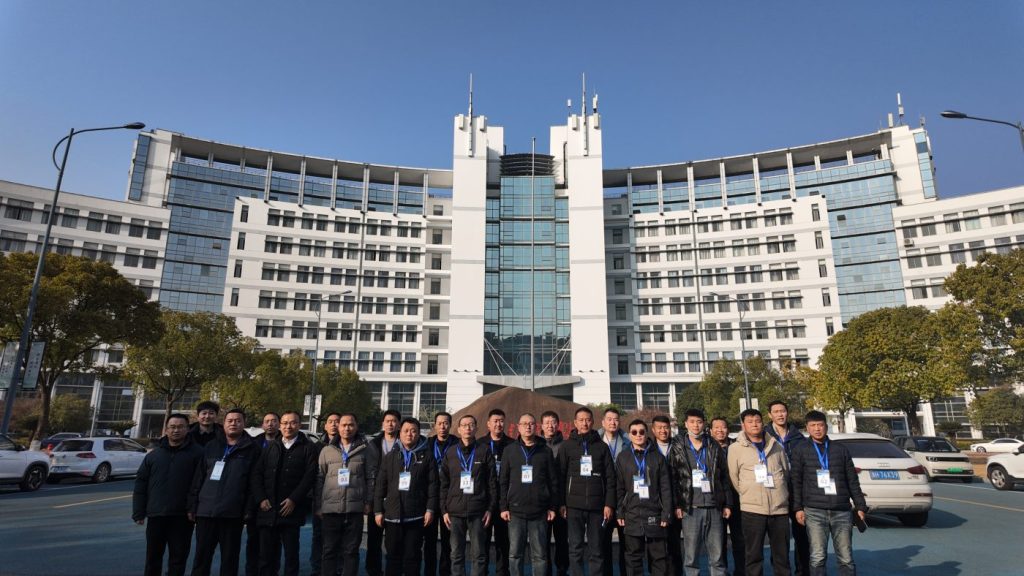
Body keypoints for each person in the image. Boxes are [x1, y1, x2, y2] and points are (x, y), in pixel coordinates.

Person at [791, 411, 867, 576]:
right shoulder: (800, 450)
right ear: (807, 428)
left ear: (826, 426)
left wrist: (860, 505)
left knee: (846, 557)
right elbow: (796, 481)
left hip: (841, 510)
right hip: (814, 510)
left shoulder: (840, 449)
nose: (817, 429)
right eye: (813, 425)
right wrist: (798, 508)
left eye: (820, 425)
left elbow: (852, 480)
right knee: (817, 557)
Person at [189, 408, 262, 576]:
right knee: (201, 558)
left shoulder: (253, 449)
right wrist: (192, 505)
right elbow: (199, 478)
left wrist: (248, 510)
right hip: (206, 512)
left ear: (244, 424)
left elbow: (254, 483)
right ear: (224, 424)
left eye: (238, 420)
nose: (233, 424)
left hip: (233, 513)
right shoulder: (211, 446)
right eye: (230, 420)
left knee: (229, 559)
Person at [133, 413, 204, 576]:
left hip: (183, 516)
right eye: (172, 427)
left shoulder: (198, 454)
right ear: (166, 429)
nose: (176, 430)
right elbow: (141, 483)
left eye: (180, 427)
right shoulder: (154, 455)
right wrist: (138, 511)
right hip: (156, 514)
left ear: (187, 429)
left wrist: (193, 508)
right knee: (153, 558)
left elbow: (200, 484)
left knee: (178, 559)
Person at [251, 411, 317, 576]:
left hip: (291, 509)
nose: (288, 426)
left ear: (299, 425)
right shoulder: (271, 446)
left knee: (291, 555)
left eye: (293, 422)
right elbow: (257, 473)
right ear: (280, 425)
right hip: (268, 509)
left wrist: (294, 499)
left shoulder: (308, 447)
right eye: (285, 423)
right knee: (266, 556)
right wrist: (261, 498)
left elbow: (310, 476)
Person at [727, 409, 791, 576]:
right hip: (752, 509)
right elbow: (734, 477)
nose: (754, 424)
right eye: (750, 421)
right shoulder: (735, 449)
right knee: (753, 556)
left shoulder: (776, 446)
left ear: (763, 423)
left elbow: (786, 472)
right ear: (743, 425)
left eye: (757, 421)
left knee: (782, 557)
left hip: (779, 509)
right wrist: (748, 493)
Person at [668, 409, 731, 576]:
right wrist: (677, 505)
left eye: (699, 422)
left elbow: (724, 476)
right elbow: (673, 478)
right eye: (692, 422)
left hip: (714, 506)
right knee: (691, 557)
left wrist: (727, 503)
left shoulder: (713, 445)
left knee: (717, 556)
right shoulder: (678, 447)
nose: (696, 425)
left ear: (704, 424)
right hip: (690, 508)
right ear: (686, 424)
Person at [374, 417, 439, 576]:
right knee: (392, 556)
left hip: (416, 515)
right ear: (400, 433)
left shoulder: (427, 456)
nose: (409, 434)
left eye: (413, 431)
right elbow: (381, 485)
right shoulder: (390, 456)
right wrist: (378, 511)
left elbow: (433, 485)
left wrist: (430, 509)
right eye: (406, 431)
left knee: (412, 556)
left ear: (419, 433)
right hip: (392, 515)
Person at [317, 412, 377, 576]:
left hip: (354, 509)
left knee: (351, 551)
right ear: (338, 427)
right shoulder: (327, 450)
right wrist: (318, 505)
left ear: (356, 427)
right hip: (331, 509)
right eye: (343, 425)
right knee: (329, 550)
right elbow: (319, 478)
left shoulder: (366, 450)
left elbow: (371, 477)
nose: (347, 428)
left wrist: (368, 502)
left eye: (351, 425)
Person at [558, 407, 615, 576]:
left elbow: (610, 478)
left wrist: (609, 504)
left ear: (593, 422)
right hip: (573, 506)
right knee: (575, 548)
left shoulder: (602, 447)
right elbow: (560, 477)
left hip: (597, 507)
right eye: (581, 420)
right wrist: (561, 503)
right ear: (575, 423)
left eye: (588, 420)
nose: (584, 423)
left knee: (596, 549)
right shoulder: (566, 446)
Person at [500, 413, 559, 576]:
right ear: (518, 427)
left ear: (536, 427)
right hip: (515, 511)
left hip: (539, 511)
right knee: (514, 555)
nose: (528, 426)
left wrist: (552, 507)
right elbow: (503, 481)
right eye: (524, 423)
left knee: (539, 556)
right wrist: (503, 507)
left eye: (531, 423)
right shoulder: (509, 450)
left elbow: (553, 481)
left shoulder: (545, 451)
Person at [441, 415, 498, 576]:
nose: (467, 428)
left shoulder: (484, 451)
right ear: (458, 429)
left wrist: (490, 509)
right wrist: (444, 510)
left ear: (476, 428)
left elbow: (492, 483)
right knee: (456, 554)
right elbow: (443, 484)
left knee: (479, 555)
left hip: (478, 511)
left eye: (471, 425)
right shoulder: (451, 452)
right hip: (455, 512)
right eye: (464, 425)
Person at [615, 419, 672, 576]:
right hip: (632, 513)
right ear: (629, 435)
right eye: (634, 432)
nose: (638, 435)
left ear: (647, 434)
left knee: (659, 558)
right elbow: (619, 487)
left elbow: (665, 488)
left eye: (641, 432)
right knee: (633, 558)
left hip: (654, 513)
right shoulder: (623, 457)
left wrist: (666, 513)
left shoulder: (658, 457)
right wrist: (620, 511)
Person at [766, 401, 809, 576]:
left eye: (782, 411)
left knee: (802, 535)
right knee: (779, 539)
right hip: (775, 491)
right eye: (776, 412)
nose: (780, 414)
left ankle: (802, 571)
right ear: (770, 415)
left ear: (787, 413)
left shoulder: (798, 437)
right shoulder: (765, 436)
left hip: (797, 491)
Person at [367, 410, 402, 576]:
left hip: (397, 497)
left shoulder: (404, 443)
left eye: (394, 421)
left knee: (394, 541)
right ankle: (373, 570)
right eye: (387, 421)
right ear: (383, 424)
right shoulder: (373, 444)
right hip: (377, 496)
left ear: (399, 424)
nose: (390, 424)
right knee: (374, 538)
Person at [247, 412, 282, 576]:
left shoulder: (284, 443)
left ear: (279, 424)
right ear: (262, 424)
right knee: (253, 541)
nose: (270, 424)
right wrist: (259, 497)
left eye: (274, 421)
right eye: (267, 421)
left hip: (275, 501)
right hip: (255, 500)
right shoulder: (253, 444)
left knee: (272, 544)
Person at [479, 408, 512, 576]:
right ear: (488, 424)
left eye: (501, 421)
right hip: (484, 500)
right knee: (482, 542)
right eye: (495, 421)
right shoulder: (480, 444)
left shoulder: (512, 445)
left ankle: (502, 572)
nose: (498, 424)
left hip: (505, 500)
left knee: (503, 542)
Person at [425, 412, 458, 576]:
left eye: (445, 423)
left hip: (450, 497)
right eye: (439, 423)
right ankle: (429, 571)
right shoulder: (427, 444)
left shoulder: (457, 444)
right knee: (429, 540)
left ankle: (445, 572)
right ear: (435, 425)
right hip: (430, 497)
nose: (442, 426)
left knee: (448, 540)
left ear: (450, 425)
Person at [710, 417, 744, 576]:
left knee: (739, 539)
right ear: (710, 431)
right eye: (716, 428)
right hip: (717, 500)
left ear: (728, 429)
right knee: (719, 541)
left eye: (723, 427)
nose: (720, 430)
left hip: (737, 499)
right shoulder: (707, 448)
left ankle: (741, 571)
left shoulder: (737, 447)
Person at [598, 407, 629, 576]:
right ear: (603, 422)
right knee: (603, 543)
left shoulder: (627, 441)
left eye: (616, 419)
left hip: (624, 499)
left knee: (627, 543)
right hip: (603, 499)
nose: (613, 422)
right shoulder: (595, 441)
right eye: (609, 419)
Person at [310, 412, 342, 576]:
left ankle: (338, 568)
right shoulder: (317, 447)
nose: (334, 424)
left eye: (337, 421)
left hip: (341, 499)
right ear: (325, 426)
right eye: (330, 421)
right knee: (318, 535)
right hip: (321, 497)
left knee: (339, 537)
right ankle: (317, 568)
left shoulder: (347, 446)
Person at [652, 414, 682, 576]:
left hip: (675, 503)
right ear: (653, 430)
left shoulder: (678, 447)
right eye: (659, 428)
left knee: (674, 545)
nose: (663, 431)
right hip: (655, 505)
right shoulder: (649, 448)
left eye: (666, 427)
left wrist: (679, 504)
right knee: (657, 548)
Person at [541, 411, 569, 576]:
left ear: (558, 424)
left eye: (553, 422)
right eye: (547, 422)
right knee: (542, 540)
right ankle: (545, 570)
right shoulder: (537, 446)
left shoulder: (565, 446)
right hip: (543, 501)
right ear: (541, 425)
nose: (550, 426)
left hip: (561, 500)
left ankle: (562, 569)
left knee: (562, 539)